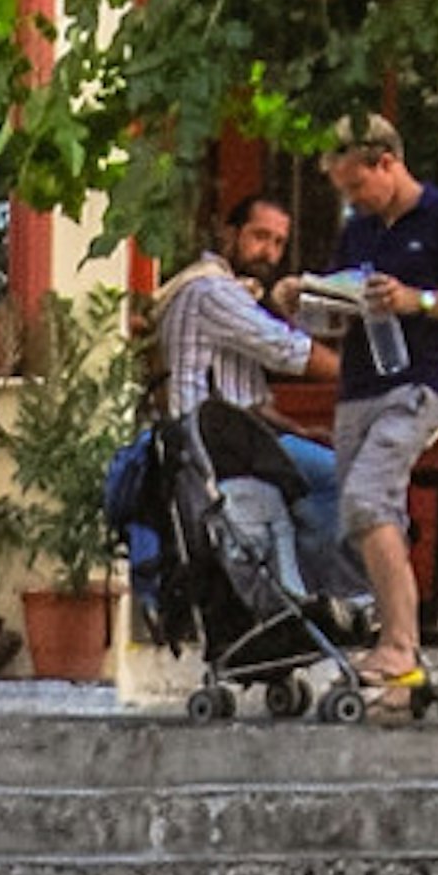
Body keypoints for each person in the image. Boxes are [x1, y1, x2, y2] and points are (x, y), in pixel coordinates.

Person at [318, 116, 438, 698]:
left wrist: (417, 300)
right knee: (364, 515)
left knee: (368, 498)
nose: (353, 201)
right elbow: (334, 304)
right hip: (357, 386)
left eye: (356, 186)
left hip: (415, 382)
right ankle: (392, 640)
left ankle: (400, 643)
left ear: (386, 163)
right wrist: (304, 298)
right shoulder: (360, 229)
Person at [157, 187, 349, 593]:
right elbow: (288, 351)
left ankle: (299, 593)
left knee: (322, 458)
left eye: (279, 242)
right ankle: (334, 599)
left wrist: (298, 431)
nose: (270, 252)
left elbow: (249, 403)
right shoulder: (212, 292)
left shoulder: (235, 293)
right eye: (260, 236)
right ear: (229, 235)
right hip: (205, 448)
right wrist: (367, 377)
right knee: (340, 478)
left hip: (234, 440)